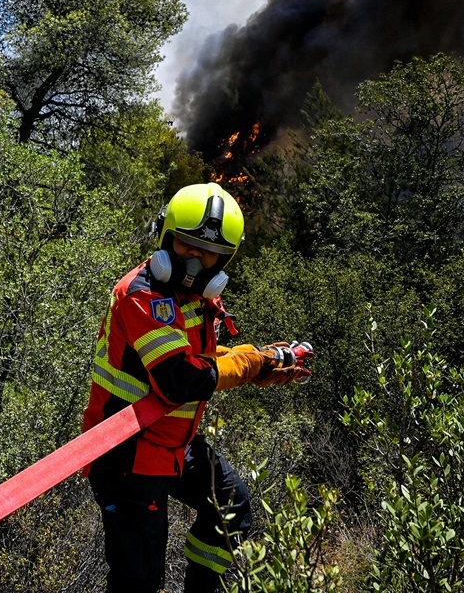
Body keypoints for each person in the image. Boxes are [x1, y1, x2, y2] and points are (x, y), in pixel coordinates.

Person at [82, 183, 312, 593]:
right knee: (138, 581)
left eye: (209, 254)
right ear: (165, 237)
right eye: (187, 246)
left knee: (231, 505)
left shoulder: (191, 299)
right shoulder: (144, 294)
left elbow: (198, 356)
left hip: (172, 447)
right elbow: (180, 379)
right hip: (127, 459)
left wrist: (259, 363)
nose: (196, 261)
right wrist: (249, 363)